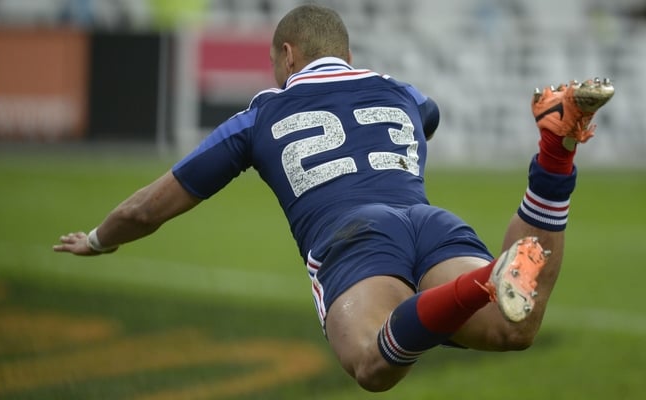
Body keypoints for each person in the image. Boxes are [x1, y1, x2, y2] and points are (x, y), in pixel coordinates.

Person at [54, 4, 614, 392]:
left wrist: (100, 240)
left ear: (289, 54)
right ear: (345, 52)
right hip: (429, 219)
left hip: (354, 236)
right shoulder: (405, 94)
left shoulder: (260, 117)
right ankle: (555, 150)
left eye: (277, 62)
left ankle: (484, 281)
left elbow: (146, 208)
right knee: (514, 329)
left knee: (374, 363)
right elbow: (428, 117)